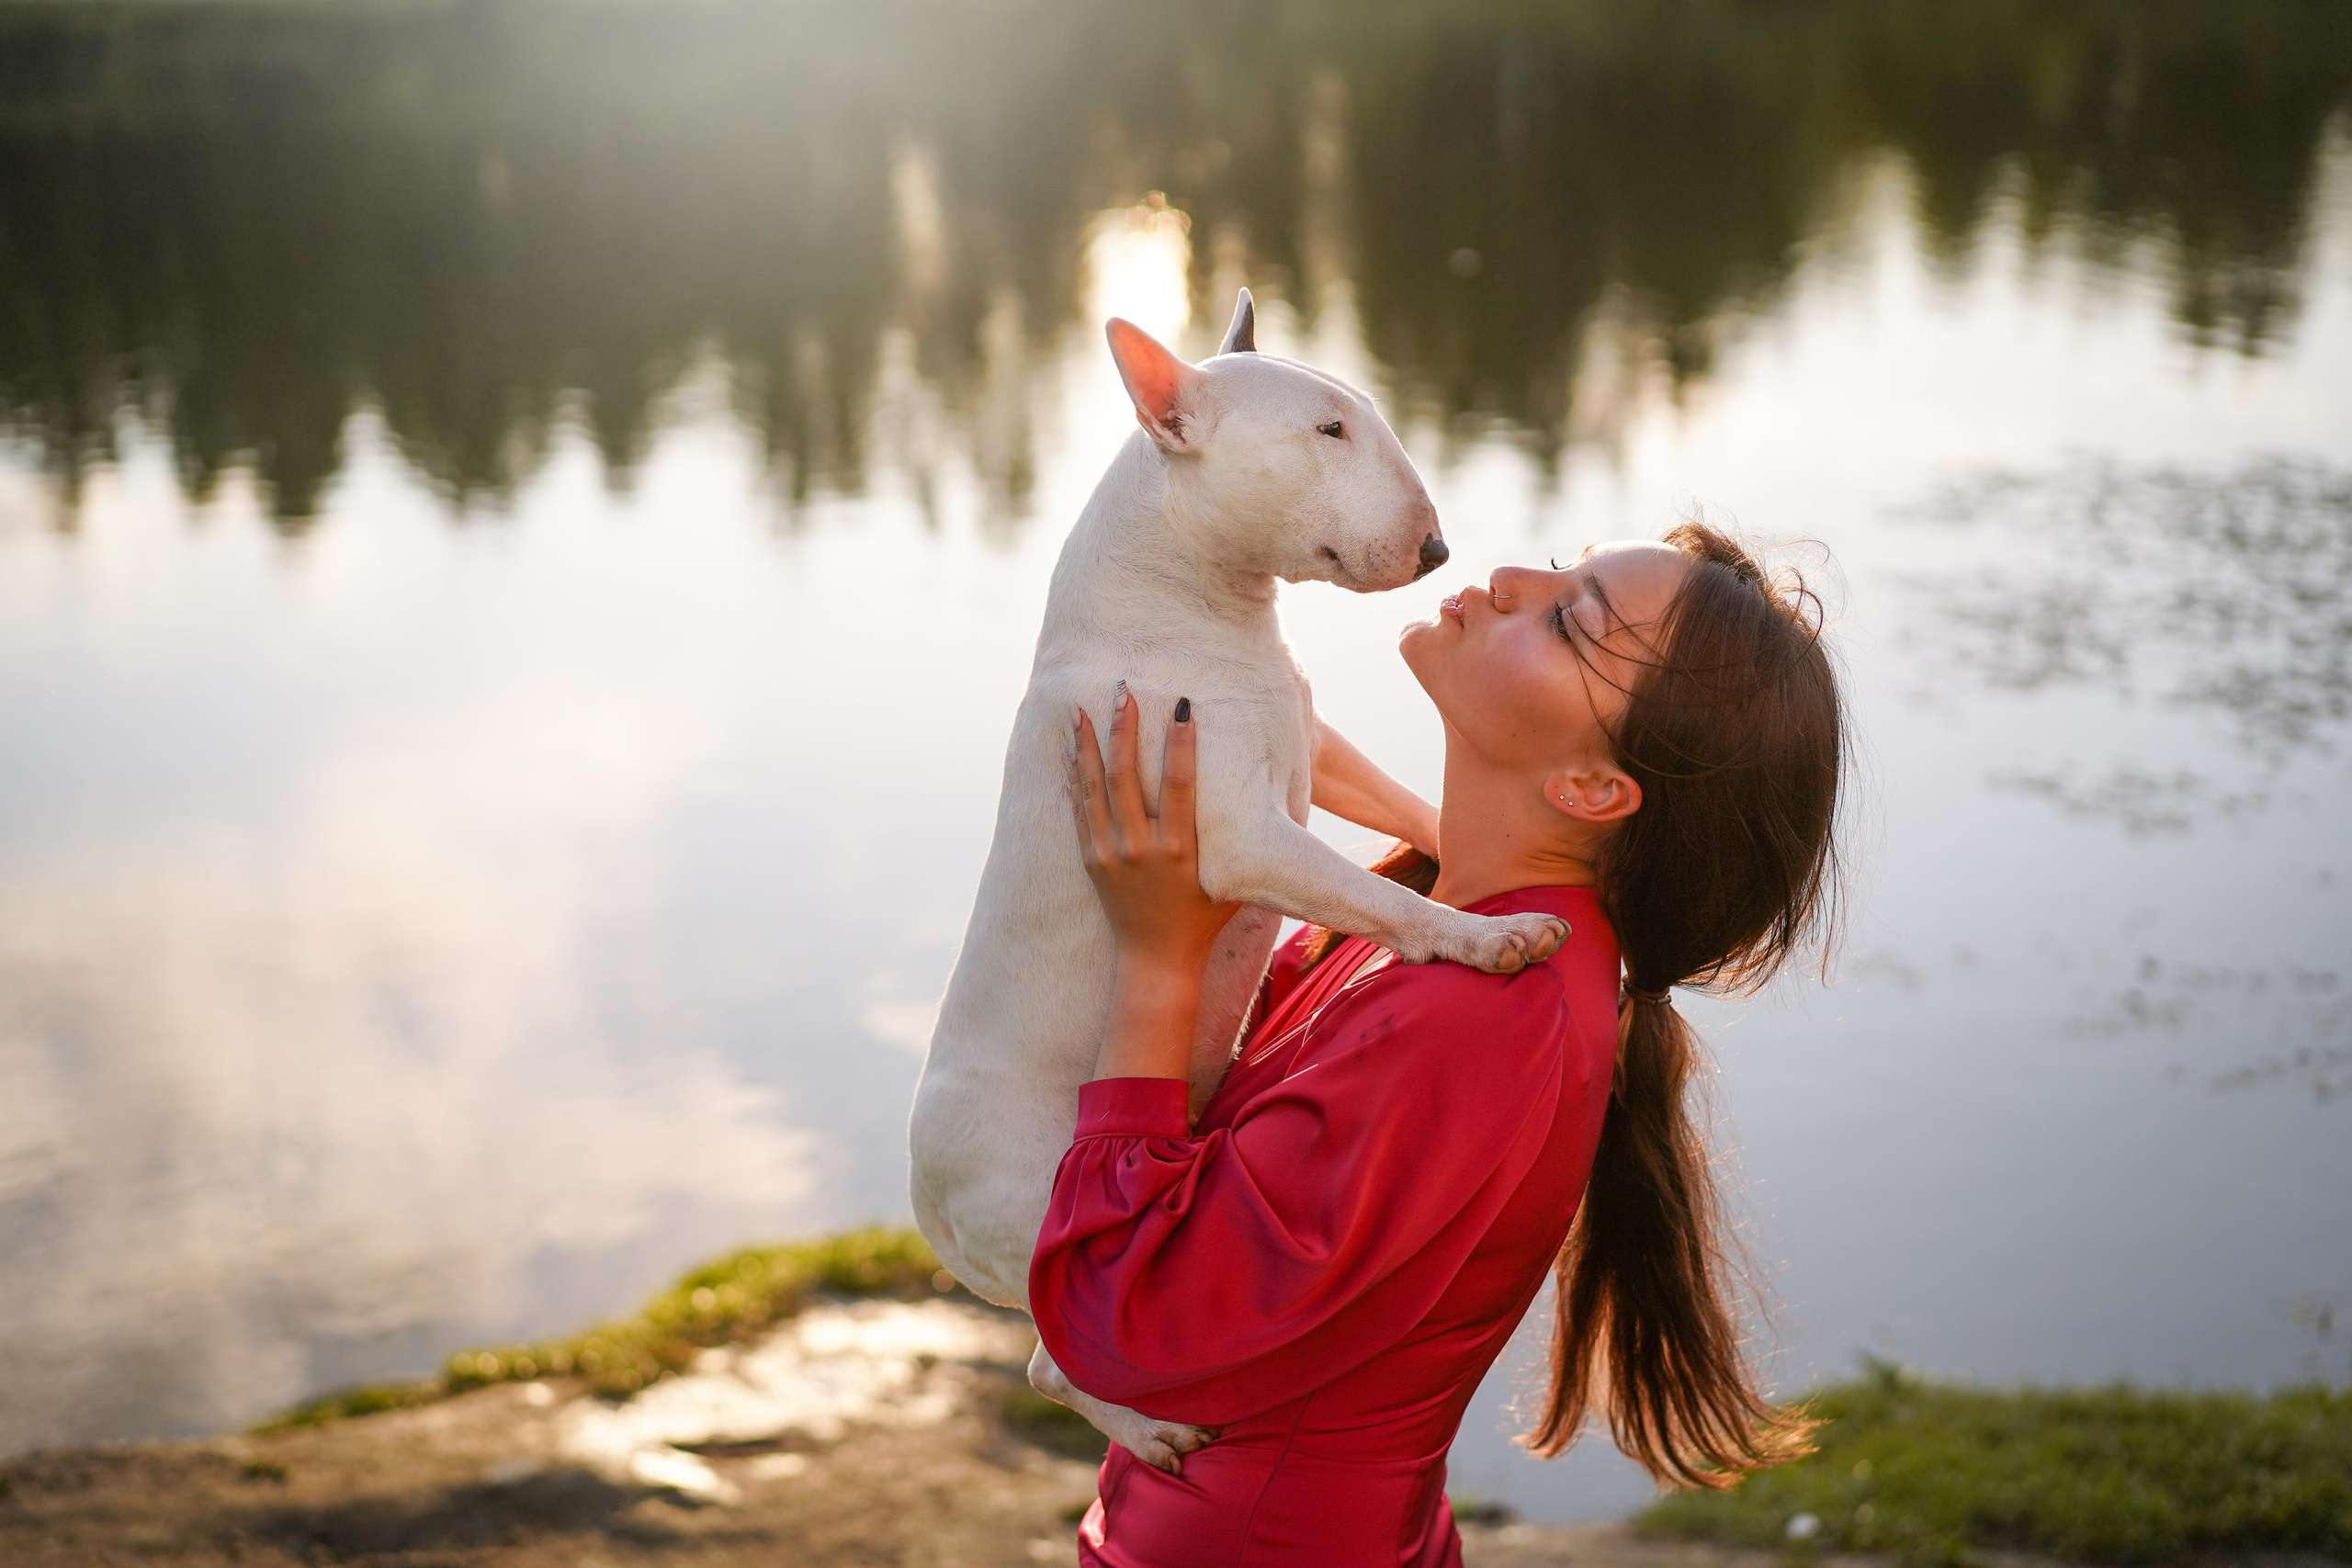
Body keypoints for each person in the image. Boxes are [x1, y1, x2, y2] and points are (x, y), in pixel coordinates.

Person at [1030, 522, 1849, 1566]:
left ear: (1593, 790)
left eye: (1570, 619)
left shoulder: (1485, 1013)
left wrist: (1157, 960)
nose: (1509, 578)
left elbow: (1126, 1330)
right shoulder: (1441, 919)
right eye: (1565, 564)